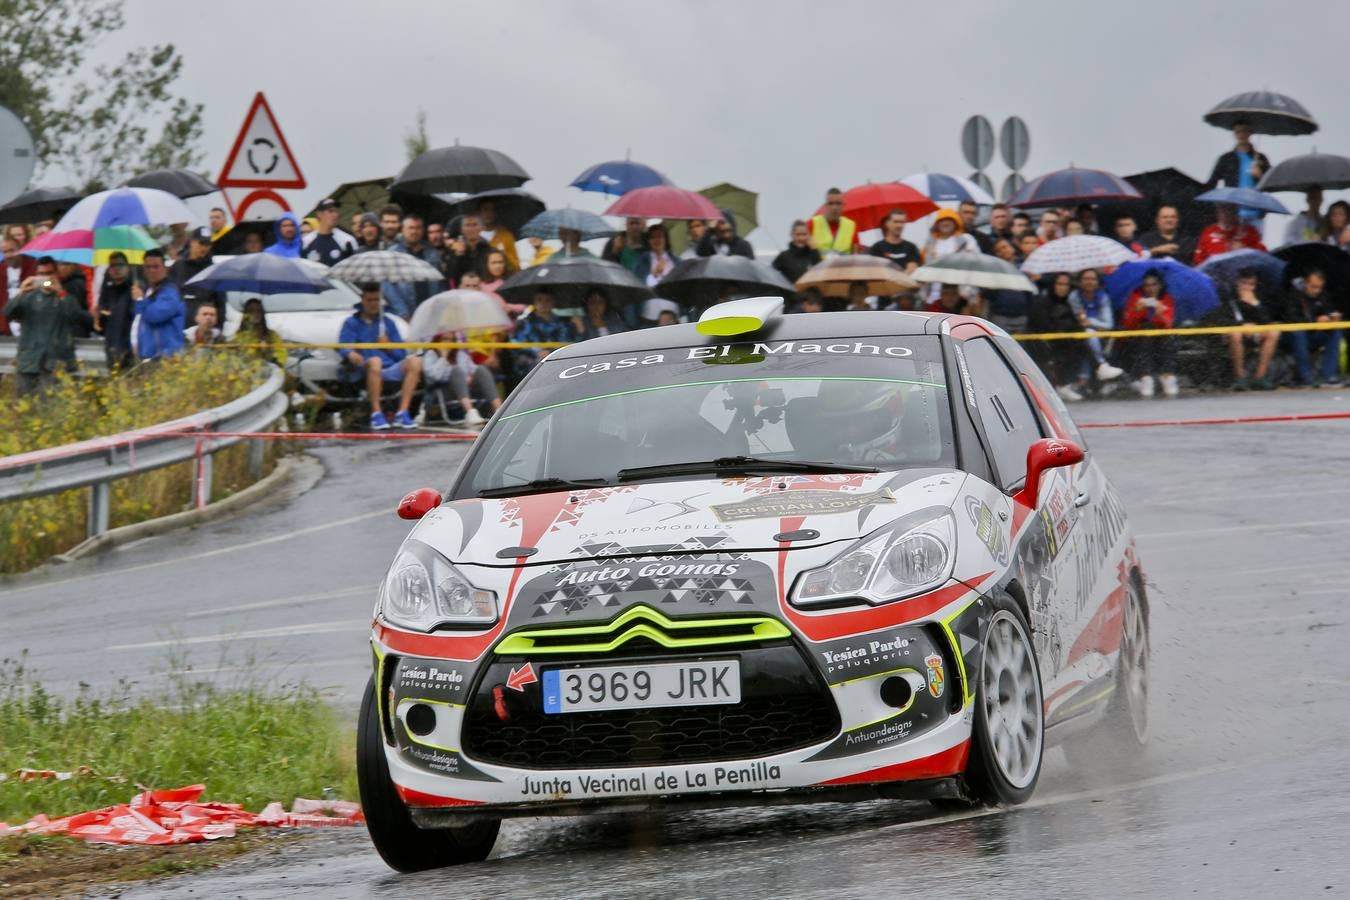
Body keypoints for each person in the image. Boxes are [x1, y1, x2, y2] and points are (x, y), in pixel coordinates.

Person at [2, 256, 91, 395]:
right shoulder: (28, 297)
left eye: (49, 273)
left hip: (55, 364)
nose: (45, 278)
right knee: (24, 408)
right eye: (41, 274)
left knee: (50, 409)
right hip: (29, 363)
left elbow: (75, 316)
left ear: (56, 274)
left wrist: (60, 291)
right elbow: (8, 313)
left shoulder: (65, 297)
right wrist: (21, 293)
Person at [339, 283, 423, 429]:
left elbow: (400, 355)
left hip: (389, 368)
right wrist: (351, 353)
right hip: (364, 368)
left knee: (415, 361)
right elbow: (344, 347)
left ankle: (403, 412)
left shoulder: (389, 323)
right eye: (370, 300)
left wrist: (388, 346)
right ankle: (376, 414)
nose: (373, 304)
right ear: (362, 300)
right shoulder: (351, 323)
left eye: (376, 300)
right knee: (375, 361)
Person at [1027, 272, 1090, 401]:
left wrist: (1081, 321)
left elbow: (1073, 326)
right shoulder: (1041, 302)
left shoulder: (1070, 304)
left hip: (1064, 342)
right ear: (1053, 285)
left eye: (1066, 284)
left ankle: (1065, 384)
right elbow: (1042, 326)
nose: (1063, 287)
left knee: (1080, 343)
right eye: (1060, 284)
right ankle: (1062, 384)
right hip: (1043, 343)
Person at [1119, 271, 1179, 398]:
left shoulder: (1167, 298)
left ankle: (1168, 376)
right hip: (1139, 338)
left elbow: (1169, 324)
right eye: (1147, 285)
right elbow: (1128, 325)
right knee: (1146, 331)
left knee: (1168, 337)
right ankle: (1146, 377)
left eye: (1154, 284)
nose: (1150, 288)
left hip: (1162, 337)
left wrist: (1160, 313)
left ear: (1160, 285)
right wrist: (1137, 311)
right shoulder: (1135, 297)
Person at [1278, 270, 1343, 387]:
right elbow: (1291, 319)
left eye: (1319, 287)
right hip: (1292, 337)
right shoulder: (1292, 294)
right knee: (1298, 333)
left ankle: (1328, 374)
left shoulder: (1323, 294)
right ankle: (1306, 376)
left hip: (1312, 334)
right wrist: (1315, 321)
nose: (1317, 290)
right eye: (1313, 287)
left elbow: (1328, 309)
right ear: (1305, 283)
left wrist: (1331, 317)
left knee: (1336, 331)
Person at [1223, 268, 1280, 391]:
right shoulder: (1229, 296)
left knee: (1274, 333)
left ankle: (1260, 377)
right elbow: (1225, 318)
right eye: (1244, 283)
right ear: (1237, 282)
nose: (1248, 287)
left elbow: (1267, 320)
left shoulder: (1257, 296)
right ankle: (1240, 377)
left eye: (1251, 284)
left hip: (1256, 332)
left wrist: (1255, 304)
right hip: (1233, 332)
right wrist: (1242, 325)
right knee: (1235, 334)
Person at [1067, 269, 1125, 382]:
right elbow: (1079, 321)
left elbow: (1108, 324)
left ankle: (1094, 372)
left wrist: (1090, 322)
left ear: (1098, 282)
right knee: (1088, 335)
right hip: (1079, 334)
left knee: (1090, 334)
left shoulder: (1103, 297)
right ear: (1079, 281)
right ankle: (1099, 366)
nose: (1089, 282)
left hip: (1102, 336)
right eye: (1086, 279)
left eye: (1093, 279)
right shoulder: (1074, 296)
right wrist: (1087, 323)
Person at [384, 214, 445, 318]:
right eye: (410, 228)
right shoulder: (392, 254)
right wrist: (404, 313)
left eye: (418, 228)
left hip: (431, 314)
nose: (414, 232)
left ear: (422, 230)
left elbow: (440, 284)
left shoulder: (432, 253)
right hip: (405, 316)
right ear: (402, 230)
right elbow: (388, 287)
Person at [134, 248, 186, 361]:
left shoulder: (171, 292)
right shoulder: (148, 291)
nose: (152, 270)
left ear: (165, 268)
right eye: (148, 267)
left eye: (156, 266)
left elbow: (155, 315)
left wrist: (139, 300)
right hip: (148, 358)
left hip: (166, 359)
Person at [510, 290, 576, 376]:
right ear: (534, 302)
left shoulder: (563, 322)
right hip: (531, 361)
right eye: (539, 300)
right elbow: (516, 342)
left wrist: (550, 352)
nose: (544, 303)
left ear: (553, 302)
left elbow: (566, 341)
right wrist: (537, 351)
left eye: (548, 300)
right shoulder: (524, 322)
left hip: (558, 358)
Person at [96, 251, 138, 369]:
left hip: (129, 350)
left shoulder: (134, 290)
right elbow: (101, 326)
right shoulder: (107, 291)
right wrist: (99, 316)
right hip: (111, 349)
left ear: (127, 267)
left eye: (120, 264)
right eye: (112, 265)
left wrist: (137, 299)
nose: (116, 269)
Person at [171, 228, 222, 321]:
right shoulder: (178, 266)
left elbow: (220, 302)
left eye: (208, 244)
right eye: (201, 243)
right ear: (192, 242)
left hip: (203, 325)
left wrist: (218, 327)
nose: (204, 248)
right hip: (179, 322)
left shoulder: (213, 270)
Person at [1207, 120, 1271, 190]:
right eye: (1238, 132)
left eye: (1244, 131)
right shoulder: (1226, 159)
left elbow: (1271, 184)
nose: (1241, 135)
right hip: (1232, 199)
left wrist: (1260, 175)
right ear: (1234, 134)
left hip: (1254, 199)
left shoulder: (1261, 158)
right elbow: (1211, 184)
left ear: (1250, 133)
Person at [985, 239, 1032, 334]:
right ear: (997, 254)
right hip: (1001, 316)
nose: (1005, 250)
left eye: (1006, 246)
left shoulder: (1024, 267)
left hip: (1021, 315)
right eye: (1000, 249)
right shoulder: (994, 270)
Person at [1193, 203, 1265, 265]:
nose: (1227, 214)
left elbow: (1263, 257)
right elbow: (1198, 260)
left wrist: (1243, 251)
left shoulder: (1249, 232)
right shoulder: (1208, 231)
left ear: (1237, 212)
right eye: (1223, 209)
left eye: (1231, 209)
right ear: (1217, 212)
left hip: (1241, 276)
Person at [303, 198, 358, 266]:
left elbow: (354, 268)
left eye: (336, 211)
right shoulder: (306, 241)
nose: (335, 215)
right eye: (331, 211)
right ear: (319, 214)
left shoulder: (347, 240)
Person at [0, 236, 36, 335]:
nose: (8, 255)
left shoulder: (33, 266)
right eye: (5, 252)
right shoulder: (1, 270)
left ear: (20, 250)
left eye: (11, 251)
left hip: (30, 325)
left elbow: (46, 283)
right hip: (6, 329)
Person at [447, 213, 495, 285]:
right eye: (467, 225)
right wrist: (459, 256)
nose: (471, 229)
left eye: (474, 225)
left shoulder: (489, 249)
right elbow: (451, 277)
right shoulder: (454, 250)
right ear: (462, 229)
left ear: (481, 228)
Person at [810, 187, 857, 255]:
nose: (834, 207)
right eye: (831, 203)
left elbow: (855, 254)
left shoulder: (851, 226)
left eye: (838, 203)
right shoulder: (813, 223)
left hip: (844, 265)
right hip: (820, 265)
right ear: (825, 206)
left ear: (843, 205)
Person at [477, 199, 520, 273]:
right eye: (485, 209)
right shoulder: (473, 236)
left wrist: (504, 255)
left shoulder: (506, 236)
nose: (489, 213)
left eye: (492, 210)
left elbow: (516, 266)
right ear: (479, 212)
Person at [773, 220, 822, 285]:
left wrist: (814, 250)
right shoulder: (783, 256)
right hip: (790, 293)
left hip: (810, 293)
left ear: (809, 235)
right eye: (798, 235)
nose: (801, 238)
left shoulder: (814, 254)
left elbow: (821, 273)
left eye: (804, 234)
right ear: (792, 235)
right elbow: (771, 275)